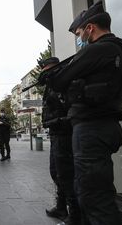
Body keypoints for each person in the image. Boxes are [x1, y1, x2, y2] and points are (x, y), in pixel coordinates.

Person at [50, 1, 122, 225]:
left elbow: (60, 80)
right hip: (107, 125)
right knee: (94, 189)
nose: (79, 38)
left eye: (79, 33)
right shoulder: (121, 50)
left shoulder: (98, 49)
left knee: (94, 196)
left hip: (92, 129)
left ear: (90, 28)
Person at [40, 57, 81, 225]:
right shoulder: (53, 84)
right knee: (55, 172)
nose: (43, 72)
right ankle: (61, 206)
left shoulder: (63, 83)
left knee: (66, 174)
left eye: (45, 68)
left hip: (64, 134)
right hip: (55, 133)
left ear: (53, 68)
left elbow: (67, 107)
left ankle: (75, 215)